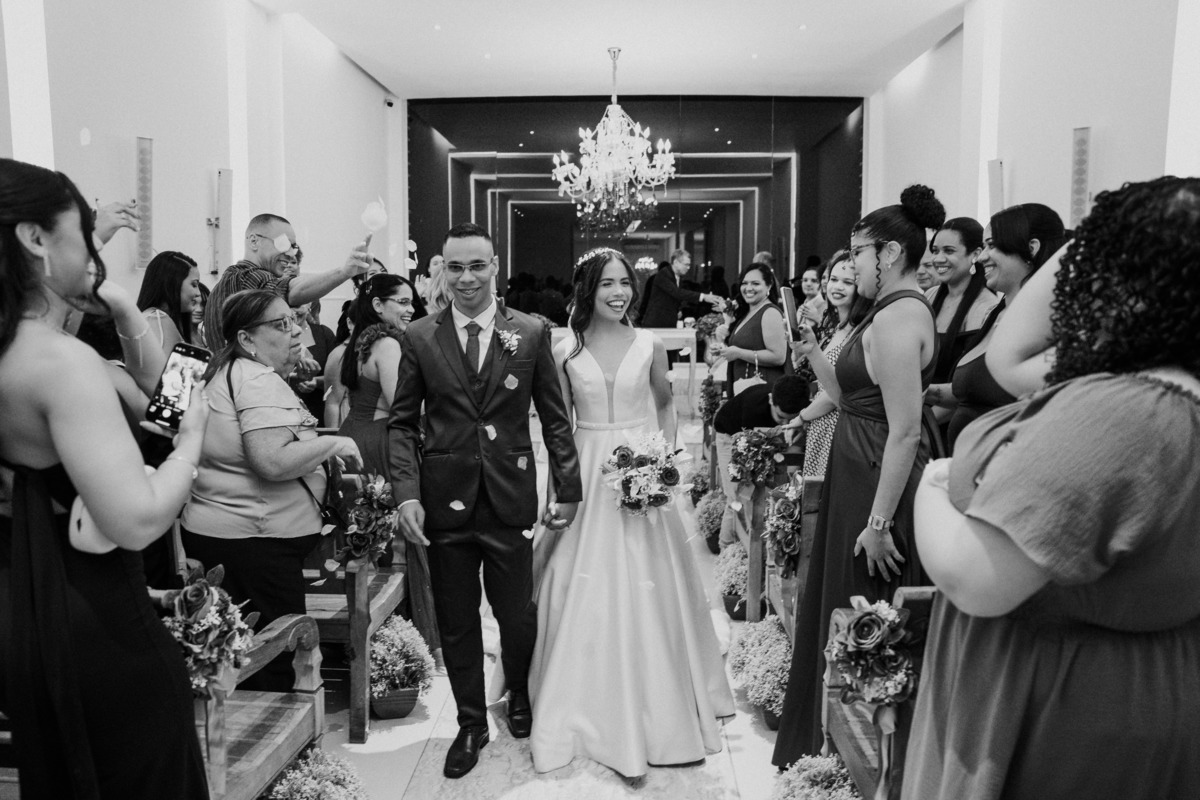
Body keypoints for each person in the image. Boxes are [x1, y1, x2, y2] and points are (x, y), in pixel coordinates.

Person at [903, 176, 1200, 799]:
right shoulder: (1157, 391)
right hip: (1123, 690)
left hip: (1056, 707)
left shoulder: (1125, 413)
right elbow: (1009, 359)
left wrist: (934, 483)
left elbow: (974, 577)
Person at [0, 157, 209, 797]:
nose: (200, 294)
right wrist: (190, 443)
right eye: (193, 285)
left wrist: (122, 308)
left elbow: (163, 401)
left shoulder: (136, 339)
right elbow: (171, 416)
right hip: (99, 572)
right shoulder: (85, 351)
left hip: (36, 585)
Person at [529, 247, 736, 778]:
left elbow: (664, 405)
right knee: (579, 578)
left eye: (624, 283)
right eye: (607, 284)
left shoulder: (650, 344)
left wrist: (662, 462)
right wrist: (556, 492)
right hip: (586, 464)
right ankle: (580, 699)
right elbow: (559, 427)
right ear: (588, 290)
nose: (619, 293)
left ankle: (662, 697)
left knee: (652, 578)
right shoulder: (565, 348)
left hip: (639, 463)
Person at [388, 222, 582, 779]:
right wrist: (406, 495)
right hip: (442, 498)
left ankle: (518, 690)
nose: (466, 278)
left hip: (509, 495)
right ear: (442, 271)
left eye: (477, 266)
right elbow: (401, 424)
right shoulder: (419, 337)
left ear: (495, 267)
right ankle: (471, 722)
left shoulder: (531, 332)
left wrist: (567, 488)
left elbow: (555, 419)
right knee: (456, 620)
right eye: (456, 267)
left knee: (516, 613)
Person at [773, 184, 944, 766]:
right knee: (843, 601)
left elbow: (905, 430)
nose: (853, 265)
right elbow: (850, 397)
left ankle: (865, 758)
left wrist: (878, 522)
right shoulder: (885, 311)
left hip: (877, 478)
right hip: (857, 464)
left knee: (866, 603)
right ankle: (831, 744)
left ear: (889, 253)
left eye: (859, 253)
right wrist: (813, 354)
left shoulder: (900, 317)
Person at [181, 289, 362, 691]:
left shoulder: (226, 371)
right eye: (281, 324)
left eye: (294, 320)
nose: (296, 331)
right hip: (257, 539)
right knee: (272, 661)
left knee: (235, 655)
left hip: (229, 534)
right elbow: (272, 461)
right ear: (246, 338)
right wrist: (333, 445)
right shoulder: (257, 380)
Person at [945, 204, 1066, 450]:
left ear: (1031, 249)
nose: (981, 257)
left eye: (992, 245)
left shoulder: (1050, 325)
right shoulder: (997, 313)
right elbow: (975, 392)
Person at [203, 213, 371, 352]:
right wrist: (344, 272)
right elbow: (291, 290)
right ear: (254, 241)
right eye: (283, 244)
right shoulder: (246, 277)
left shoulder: (225, 284)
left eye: (293, 247)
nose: (291, 254)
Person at [793, 251, 874, 479]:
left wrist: (803, 416)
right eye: (833, 279)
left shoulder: (861, 331)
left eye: (847, 282)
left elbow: (837, 391)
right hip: (821, 423)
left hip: (839, 426)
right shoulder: (836, 325)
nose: (837, 287)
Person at [712, 374, 810, 548]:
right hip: (731, 436)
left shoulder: (801, 408)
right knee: (737, 494)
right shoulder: (753, 409)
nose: (786, 423)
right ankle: (727, 548)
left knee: (771, 495)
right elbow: (746, 457)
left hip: (765, 441)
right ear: (771, 400)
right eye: (781, 417)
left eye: (792, 419)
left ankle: (759, 547)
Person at [922, 218, 998, 427]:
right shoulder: (929, 296)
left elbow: (972, 387)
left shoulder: (988, 309)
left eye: (948, 251)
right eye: (935, 251)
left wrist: (925, 427)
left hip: (954, 424)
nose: (938, 259)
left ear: (975, 254)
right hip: (917, 415)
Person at [711, 262, 788, 397]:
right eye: (744, 283)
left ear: (769, 285)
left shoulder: (770, 313)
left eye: (755, 284)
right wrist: (723, 347)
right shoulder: (748, 312)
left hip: (763, 391)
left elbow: (778, 356)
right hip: (745, 389)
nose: (748, 288)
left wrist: (738, 353)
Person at [137, 250, 203, 354]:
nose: (198, 293)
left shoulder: (152, 317)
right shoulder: (158, 319)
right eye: (194, 285)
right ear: (173, 283)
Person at [638, 248, 725, 328]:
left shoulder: (678, 277)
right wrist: (703, 296)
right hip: (656, 323)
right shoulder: (664, 274)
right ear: (676, 262)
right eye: (686, 264)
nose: (688, 268)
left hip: (668, 322)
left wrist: (678, 309)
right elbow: (677, 292)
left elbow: (673, 296)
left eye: (689, 265)